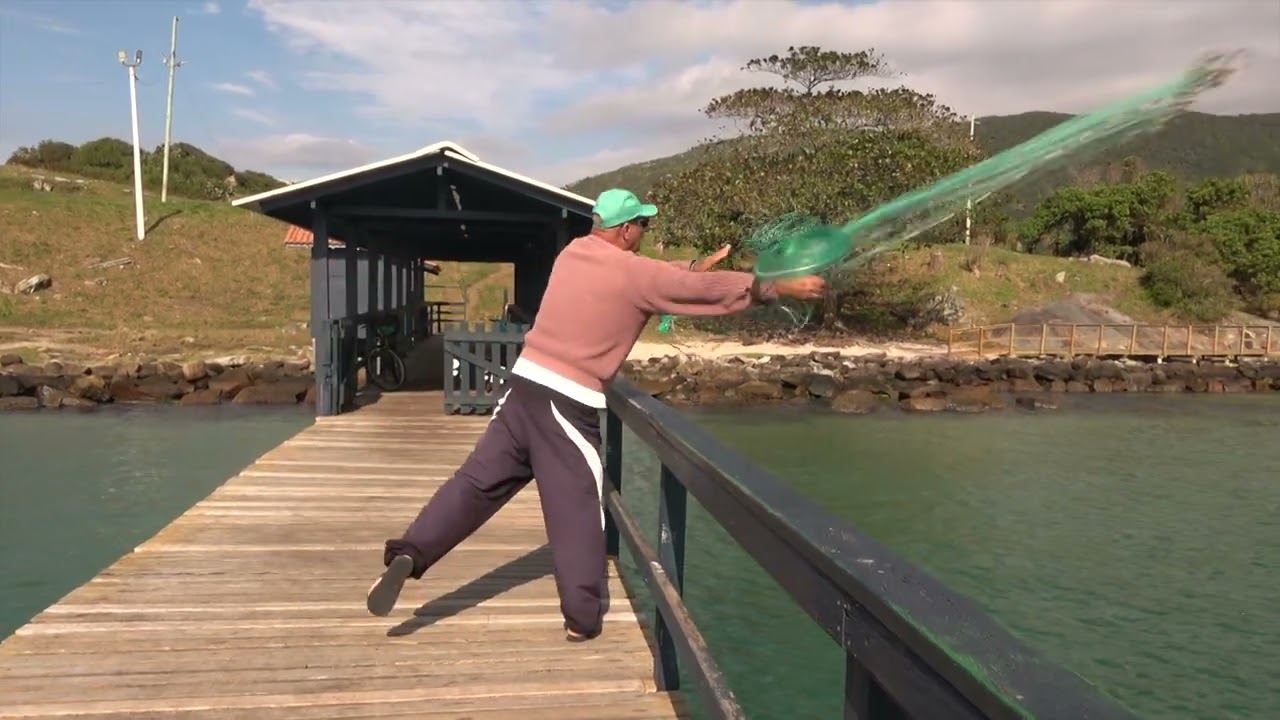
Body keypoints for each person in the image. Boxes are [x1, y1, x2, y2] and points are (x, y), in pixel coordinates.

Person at [367, 188, 825, 641]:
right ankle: (582, 618)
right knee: (577, 510)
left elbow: (663, 277)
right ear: (625, 230)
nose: (644, 232)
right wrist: (773, 287)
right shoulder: (633, 273)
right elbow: (688, 290)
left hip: (522, 388)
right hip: (566, 403)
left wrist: (692, 266)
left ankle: (411, 552)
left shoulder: (574, 253)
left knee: (476, 483)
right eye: (642, 225)